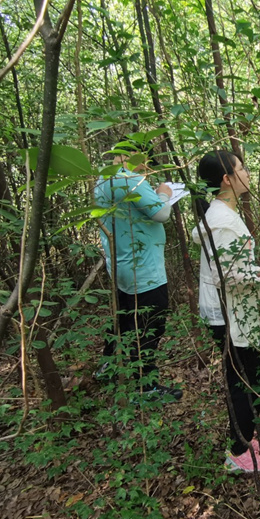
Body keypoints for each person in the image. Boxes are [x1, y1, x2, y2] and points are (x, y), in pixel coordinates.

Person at [192, 150, 260, 473]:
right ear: (226, 179)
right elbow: (227, 278)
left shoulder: (223, 213)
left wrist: (259, 271)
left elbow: (233, 266)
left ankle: (248, 438)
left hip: (231, 310)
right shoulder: (221, 222)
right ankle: (238, 453)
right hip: (226, 312)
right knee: (243, 379)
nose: (247, 173)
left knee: (252, 373)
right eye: (241, 168)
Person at [94, 139, 182, 401]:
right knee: (150, 325)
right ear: (133, 156)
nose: (147, 166)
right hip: (144, 269)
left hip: (121, 265)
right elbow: (161, 213)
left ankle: (107, 365)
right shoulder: (127, 179)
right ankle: (147, 386)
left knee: (124, 318)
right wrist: (164, 192)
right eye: (145, 160)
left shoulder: (103, 179)